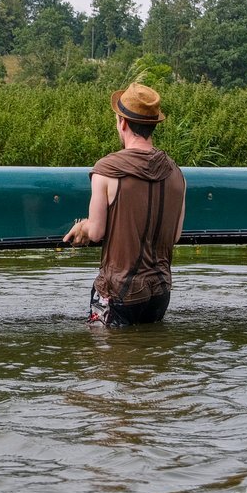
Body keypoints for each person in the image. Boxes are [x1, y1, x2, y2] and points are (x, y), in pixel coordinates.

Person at [64, 83, 186, 327]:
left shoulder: (106, 170)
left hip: (118, 291)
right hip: (161, 291)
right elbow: (175, 236)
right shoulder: (176, 173)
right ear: (153, 125)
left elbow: (96, 232)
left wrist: (81, 228)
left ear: (123, 123)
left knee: (105, 359)